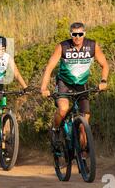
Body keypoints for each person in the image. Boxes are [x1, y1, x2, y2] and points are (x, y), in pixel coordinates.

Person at [40, 22, 109, 152]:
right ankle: (55, 130)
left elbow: (105, 64)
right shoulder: (63, 46)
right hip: (64, 83)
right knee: (63, 109)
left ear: (84, 34)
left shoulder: (92, 46)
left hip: (81, 84)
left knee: (85, 124)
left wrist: (103, 81)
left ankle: (82, 155)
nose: (77, 37)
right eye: (74, 34)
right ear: (70, 34)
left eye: (80, 34)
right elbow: (49, 68)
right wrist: (43, 88)